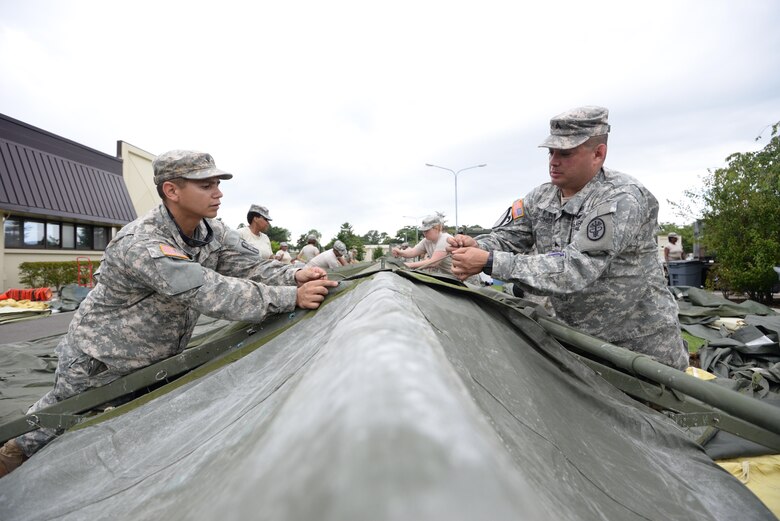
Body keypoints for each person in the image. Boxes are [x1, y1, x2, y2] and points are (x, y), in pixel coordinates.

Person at [0, 150, 338, 477]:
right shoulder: (142, 242)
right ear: (171, 190)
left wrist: (293, 275)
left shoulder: (212, 232)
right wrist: (290, 296)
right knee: (47, 429)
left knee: (113, 437)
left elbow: (249, 267)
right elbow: (208, 291)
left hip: (152, 359)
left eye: (218, 184)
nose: (218, 193)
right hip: (99, 360)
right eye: (206, 185)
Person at [448, 106, 688, 371]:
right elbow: (507, 238)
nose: (553, 161)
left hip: (637, 355)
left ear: (598, 154)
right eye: (551, 152)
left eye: (566, 153)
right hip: (579, 347)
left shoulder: (621, 199)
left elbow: (575, 269)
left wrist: (490, 262)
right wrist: (475, 246)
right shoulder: (541, 197)